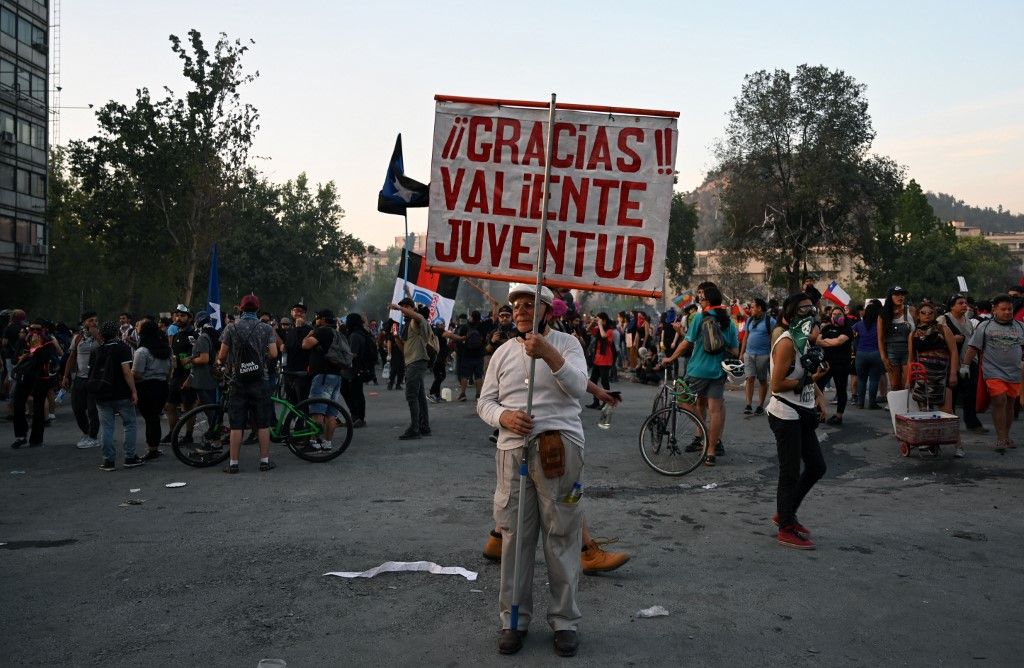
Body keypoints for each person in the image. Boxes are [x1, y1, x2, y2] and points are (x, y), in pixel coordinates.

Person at [477, 283, 588, 657]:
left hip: (560, 450)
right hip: (511, 451)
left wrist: (549, 354)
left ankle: (565, 621)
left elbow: (579, 389)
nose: (522, 310)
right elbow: (485, 402)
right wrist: (503, 416)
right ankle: (513, 620)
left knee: (562, 537)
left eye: (530, 304)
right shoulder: (502, 353)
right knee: (514, 538)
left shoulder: (568, 344)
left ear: (547, 310)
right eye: (517, 305)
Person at [767, 294, 829, 550]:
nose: (811, 313)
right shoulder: (787, 343)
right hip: (785, 413)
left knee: (817, 466)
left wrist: (819, 396)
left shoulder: (804, 342)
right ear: (791, 316)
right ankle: (786, 527)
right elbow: (777, 384)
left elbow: (806, 374)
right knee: (789, 472)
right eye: (804, 309)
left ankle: (786, 513)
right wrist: (811, 379)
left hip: (802, 412)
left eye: (812, 309)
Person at [657, 283, 739, 466]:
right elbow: (735, 350)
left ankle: (704, 431)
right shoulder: (729, 321)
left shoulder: (700, 317)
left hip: (697, 370)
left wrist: (670, 358)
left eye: (701, 298)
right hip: (718, 372)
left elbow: (687, 343)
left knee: (681, 398)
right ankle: (711, 452)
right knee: (715, 410)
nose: (698, 301)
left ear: (708, 300)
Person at [217, 294, 279, 473]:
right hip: (261, 380)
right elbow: (274, 354)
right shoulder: (266, 328)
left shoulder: (231, 327)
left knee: (236, 424)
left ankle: (233, 464)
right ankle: (265, 461)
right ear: (258, 309)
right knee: (262, 423)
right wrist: (259, 359)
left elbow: (222, 355)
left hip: (238, 380)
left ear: (241, 309)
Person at [962, 295, 1024, 452]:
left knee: (1010, 403)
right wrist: (965, 365)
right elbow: (973, 347)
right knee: (999, 400)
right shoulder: (985, 327)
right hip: (993, 371)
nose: (1008, 312)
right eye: (1003, 309)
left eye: (1010, 309)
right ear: (994, 310)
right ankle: (1001, 438)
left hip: (1014, 372)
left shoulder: (1020, 326)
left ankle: (1007, 436)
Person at [91, 322, 142, 470]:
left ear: (101, 334)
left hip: (102, 393)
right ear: (116, 333)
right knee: (130, 424)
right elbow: (127, 372)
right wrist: (134, 391)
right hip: (121, 393)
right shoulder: (122, 348)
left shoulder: (97, 350)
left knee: (106, 427)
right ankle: (130, 457)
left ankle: (108, 461)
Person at [10, 320, 61, 449]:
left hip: (41, 378)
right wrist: (23, 357)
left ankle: (36, 438)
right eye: (32, 329)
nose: (35, 332)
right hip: (24, 376)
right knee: (18, 404)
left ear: (44, 329)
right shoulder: (23, 340)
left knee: (38, 407)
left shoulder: (48, 341)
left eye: (38, 329)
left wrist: (36, 348)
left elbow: (44, 359)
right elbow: (14, 358)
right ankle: (21, 435)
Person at [390, 300, 436, 439]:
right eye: (402, 306)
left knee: (412, 396)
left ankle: (414, 429)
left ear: (412, 308)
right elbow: (405, 349)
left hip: (417, 362)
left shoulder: (417, 320)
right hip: (412, 362)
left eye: (406, 307)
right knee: (420, 397)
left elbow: (420, 317)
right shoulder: (409, 325)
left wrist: (398, 308)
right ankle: (424, 426)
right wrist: (396, 337)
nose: (403, 310)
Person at [301, 309, 345, 452]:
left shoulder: (322, 331)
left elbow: (305, 345)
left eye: (318, 317)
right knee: (331, 413)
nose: (316, 320)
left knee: (317, 411)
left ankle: (314, 441)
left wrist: (308, 334)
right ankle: (327, 443)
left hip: (322, 376)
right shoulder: (337, 333)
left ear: (324, 320)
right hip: (336, 376)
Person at [942, 294, 987, 434]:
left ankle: (972, 422)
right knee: (951, 394)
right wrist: (950, 339)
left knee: (970, 394)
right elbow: (934, 337)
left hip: (968, 363)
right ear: (952, 306)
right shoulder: (943, 319)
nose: (964, 305)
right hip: (951, 363)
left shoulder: (968, 321)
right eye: (960, 303)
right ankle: (950, 423)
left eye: (965, 303)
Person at [908, 302, 959, 419]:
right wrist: (908, 380)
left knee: (947, 413)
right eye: (923, 313)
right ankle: (929, 436)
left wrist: (953, 373)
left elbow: (954, 351)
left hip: (943, 375)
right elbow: (911, 359)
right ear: (918, 315)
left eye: (930, 313)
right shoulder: (913, 334)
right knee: (924, 413)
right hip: (922, 377)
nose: (927, 315)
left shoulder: (943, 329)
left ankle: (948, 437)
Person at [132, 319, 173, 461]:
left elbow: (137, 373)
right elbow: (169, 371)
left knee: (150, 419)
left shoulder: (142, 351)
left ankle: (152, 449)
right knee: (154, 417)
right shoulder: (166, 349)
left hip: (146, 387)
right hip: (162, 386)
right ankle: (154, 447)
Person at [62, 312, 101, 449]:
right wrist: (66, 376)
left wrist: (97, 336)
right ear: (85, 322)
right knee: (77, 408)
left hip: (95, 378)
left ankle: (93, 436)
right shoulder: (78, 338)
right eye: (91, 320)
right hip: (80, 378)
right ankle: (86, 432)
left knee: (92, 409)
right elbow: (72, 357)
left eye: (96, 320)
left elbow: (107, 351)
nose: (94, 323)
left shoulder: (101, 337)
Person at [816, 305, 853, 425]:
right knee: (818, 386)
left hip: (842, 364)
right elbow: (817, 341)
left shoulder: (847, 328)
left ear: (844, 316)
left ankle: (839, 416)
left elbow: (839, 341)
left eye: (839, 314)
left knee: (841, 390)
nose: (836, 316)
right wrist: (831, 343)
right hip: (826, 364)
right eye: (834, 314)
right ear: (831, 316)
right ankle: (819, 412)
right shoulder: (826, 328)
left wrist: (825, 342)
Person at [740, 298, 775, 415]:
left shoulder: (770, 321)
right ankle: (748, 404)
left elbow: (774, 339)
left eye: (753, 307)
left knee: (762, 380)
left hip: (763, 355)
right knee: (749, 378)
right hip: (749, 354)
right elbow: (745, 337)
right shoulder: (750, 320)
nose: (751, 309)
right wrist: (742, 353)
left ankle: (760, 405)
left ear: (760, 308)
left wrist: (772, 355)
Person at [879, 286, 915, 393]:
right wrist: (883, 357)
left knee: (907, 383)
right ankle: (897, 409)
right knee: (895, 385)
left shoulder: (911, 311)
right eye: (897, 294)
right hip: (891, 352)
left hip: (909, 351)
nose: (900, 297)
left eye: (902, 294)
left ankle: (908, 408)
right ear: (890, 297)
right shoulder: (883, 314)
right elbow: (880, 338)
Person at [344, 312, 374, 428]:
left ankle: (358, 417)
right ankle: (356, 416)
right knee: (352, 392)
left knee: (355, 394)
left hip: (354, 369)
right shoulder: (361, 333)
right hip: (357, 369)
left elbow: (354, 354)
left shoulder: (355, 335)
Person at [854, 300, 885, 409]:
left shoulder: (859, 325)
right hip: (876, 354)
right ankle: (872, 403)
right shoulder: (880, 325)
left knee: (861, 379)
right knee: (874, 380)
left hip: (861, 354)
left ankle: (860, 403)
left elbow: (852, 334)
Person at [454, 310, 487, 401]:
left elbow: (460, 338)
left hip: (467, 354)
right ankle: (478, 395)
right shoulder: (482, 326)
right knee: (478, 376)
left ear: (472, 317)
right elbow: (485, 339)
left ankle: (463, 394)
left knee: (464, 375)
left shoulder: (466, 326)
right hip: (479, 354)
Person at [585, 312, 615, 408]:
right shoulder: (598, 328)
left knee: (604, 381)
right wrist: (593, 322)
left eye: (600, 319)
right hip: (597, 359)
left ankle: (606, 402)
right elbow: (587, 330)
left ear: (604, 320)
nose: (598, 322)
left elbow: (603, 336)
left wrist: (600, 325)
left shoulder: (610, 331)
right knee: (593, 380)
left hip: (606, 360)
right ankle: (596, 402)